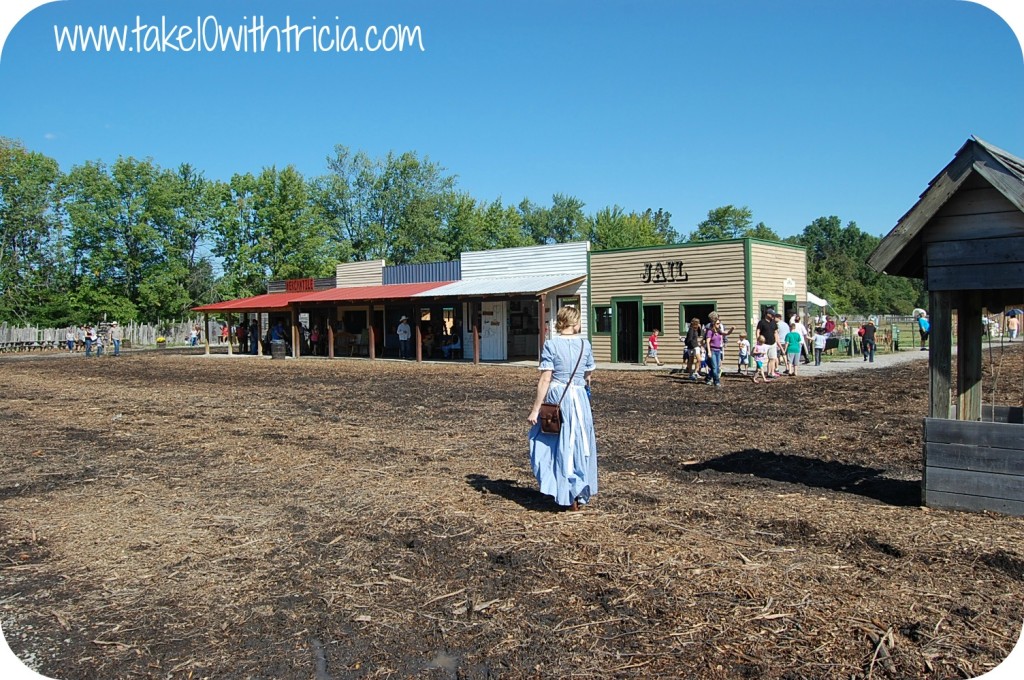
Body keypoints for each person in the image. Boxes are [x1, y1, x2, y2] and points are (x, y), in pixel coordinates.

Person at [526, 306, 597, 511]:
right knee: (578, 443)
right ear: (575, 323)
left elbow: (546, 378)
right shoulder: (585, 344)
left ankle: (563, 490)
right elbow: (588, 376)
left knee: (551, 442)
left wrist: (536, 408)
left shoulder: (551, 345)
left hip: (558, 397)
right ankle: (576, 490)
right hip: (579, 399)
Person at [703, 315, 733, 387]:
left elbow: (726, 333)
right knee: (714, 367)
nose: (719, 325)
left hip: (718, 350)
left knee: (716, 367)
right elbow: (707, 342)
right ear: (713, 324)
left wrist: (732, 329)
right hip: (712, 350)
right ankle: (716, 381)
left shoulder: (719, 331)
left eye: (719, 323)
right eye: (717, 323)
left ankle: (708, 378)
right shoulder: (710, 331)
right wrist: (709, 352)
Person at [755, 310, 780, 378]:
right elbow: (758, 331)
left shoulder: (773, 323)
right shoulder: (761, 322)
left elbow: (775, 332)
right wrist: (758, 340)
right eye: (772, 314)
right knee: (760, 358)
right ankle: (757, 373)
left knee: (772, 358)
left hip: (772, 343)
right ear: (768, 314)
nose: (773, 316)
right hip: (764, 343)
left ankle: (771, 373)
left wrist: (777, 342)